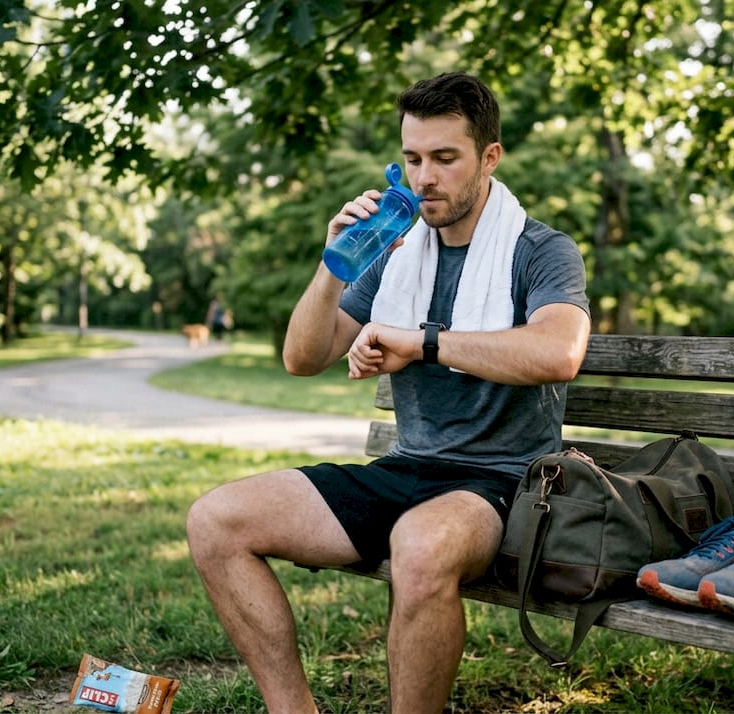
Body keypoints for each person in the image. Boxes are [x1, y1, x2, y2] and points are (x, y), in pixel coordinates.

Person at [186, 71, 590, 713]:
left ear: (489, 157)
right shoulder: (395, 249)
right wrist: (334, 263)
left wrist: (421, 341)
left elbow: (559, 352)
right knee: (215, 522)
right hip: (406, 470)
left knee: (420, 545)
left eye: (445, 158)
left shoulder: (539, 250)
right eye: (413, 158)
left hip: (500, 482)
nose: (424, 177)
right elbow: (302, 357)